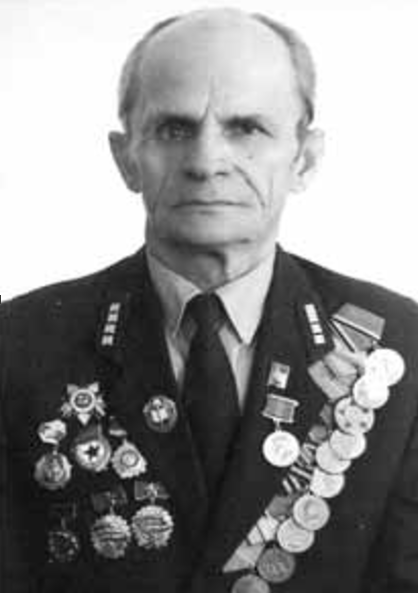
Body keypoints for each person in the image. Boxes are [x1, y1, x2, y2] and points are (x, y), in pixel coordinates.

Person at [1, 7, 418, 593]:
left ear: (304, 158)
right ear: (125, 158)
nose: (206, 162)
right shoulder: (18, 347)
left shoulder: (404, 347)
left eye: (246, 128)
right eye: (174, 129)